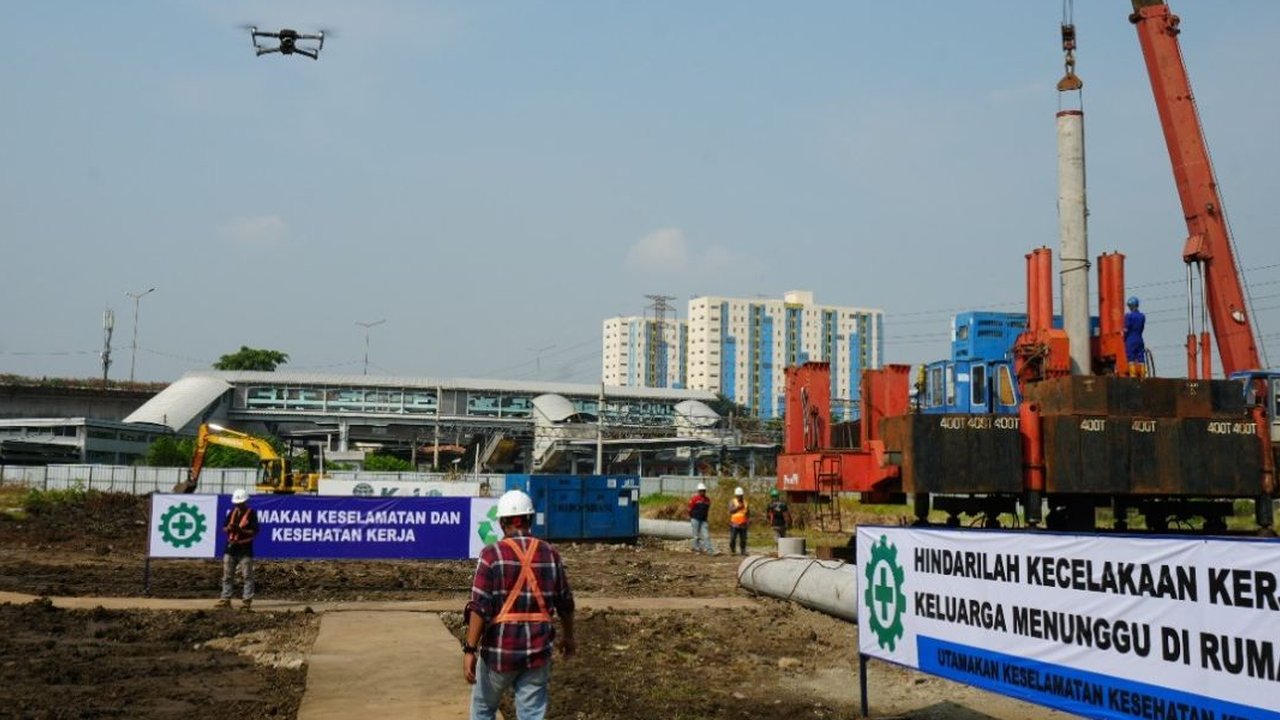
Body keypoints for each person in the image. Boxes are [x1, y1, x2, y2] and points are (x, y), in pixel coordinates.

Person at [464, 489, 576, 720]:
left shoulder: (491, 554)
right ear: (530, 520)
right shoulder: (550, 554)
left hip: (499, 652)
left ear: (502, 523)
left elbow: (479, 607)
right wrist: (568, 637)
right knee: (531, 714)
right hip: (537, 651)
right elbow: (565, 603)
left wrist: (470, 649)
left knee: (483, 709)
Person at [217, 488, 258, 610]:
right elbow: (224, 528)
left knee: (247, 576)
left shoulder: (251, 514)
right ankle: (225, 599)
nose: (238, 506)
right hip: (231, 548)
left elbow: (254, 531)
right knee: (227, 575)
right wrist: (229, 528)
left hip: (244, 549)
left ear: (245, 503)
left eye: (240, 504)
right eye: (236, 504)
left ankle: (246, 601)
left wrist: (241, 530)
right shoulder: (232, 513)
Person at [1124, 296, 1147, 378]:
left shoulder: (1128, 316)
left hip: (1131, 339)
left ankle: (1133, 375)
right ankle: (1143, 375)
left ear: (1130, 306)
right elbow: (1142, 328)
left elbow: (1126, 329)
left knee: (1131, 357)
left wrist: (1124, 337)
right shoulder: (1142, 316)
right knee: (1141, 357)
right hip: (1140, 339)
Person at [687, 482, 713, 554]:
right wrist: (691, 517)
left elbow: (707, 510)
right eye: (701, 490)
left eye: (704, 490)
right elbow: (689, 509)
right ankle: (696, 548)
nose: (703, 492)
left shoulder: (707, 500)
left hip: (704, 520)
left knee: (706, 535)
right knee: (695, 536)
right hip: (695, 519)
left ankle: (709, 550)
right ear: (698, 491)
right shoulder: (694, 499)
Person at [728, 486, 749, 556]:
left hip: (743, 524)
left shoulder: (745, 502)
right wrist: (738, 508)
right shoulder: (733, 502)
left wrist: (748, 520)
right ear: (736, 495)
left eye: (740, 496)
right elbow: (731, 511)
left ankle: (743, 551)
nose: (739, 497)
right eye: (738, 496)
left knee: (743, 539)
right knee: (733, 538)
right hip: (734, 524)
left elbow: (748, 512)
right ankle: (733, 551)